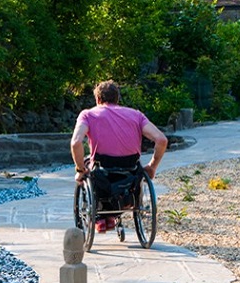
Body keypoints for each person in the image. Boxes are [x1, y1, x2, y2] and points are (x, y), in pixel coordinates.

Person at [70, 80, 168, 233]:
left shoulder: (88, 115)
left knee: (88, 168)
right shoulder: (136, 115)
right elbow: (162, 140)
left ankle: (101, 218)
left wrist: (80, 169)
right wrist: (152, 166)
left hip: (103, 170)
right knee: (125, 176)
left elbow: (76, 142)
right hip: (131, 169)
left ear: (97, 100)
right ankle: (111, 216)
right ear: (117, 99)